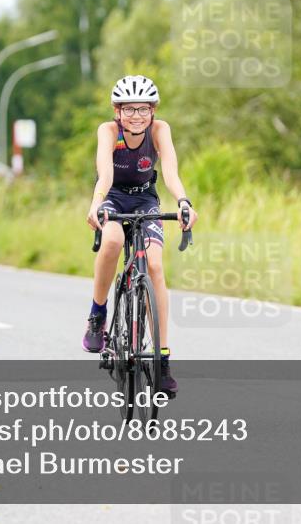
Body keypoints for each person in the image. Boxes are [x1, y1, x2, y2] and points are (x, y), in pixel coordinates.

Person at [84, 75, 197, 394]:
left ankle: (162, 362)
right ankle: (97, 315)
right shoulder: (108, 131)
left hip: (146, 200)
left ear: (153, 110)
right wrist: (96, 204)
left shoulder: (160, 130)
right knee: (113, 240)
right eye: (129, 109)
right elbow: (105, 174)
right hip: (113, 198)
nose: (136, 116)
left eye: (143, 109)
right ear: (117, 111)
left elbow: (170, 172)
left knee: (156, 266)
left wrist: (184, 201)